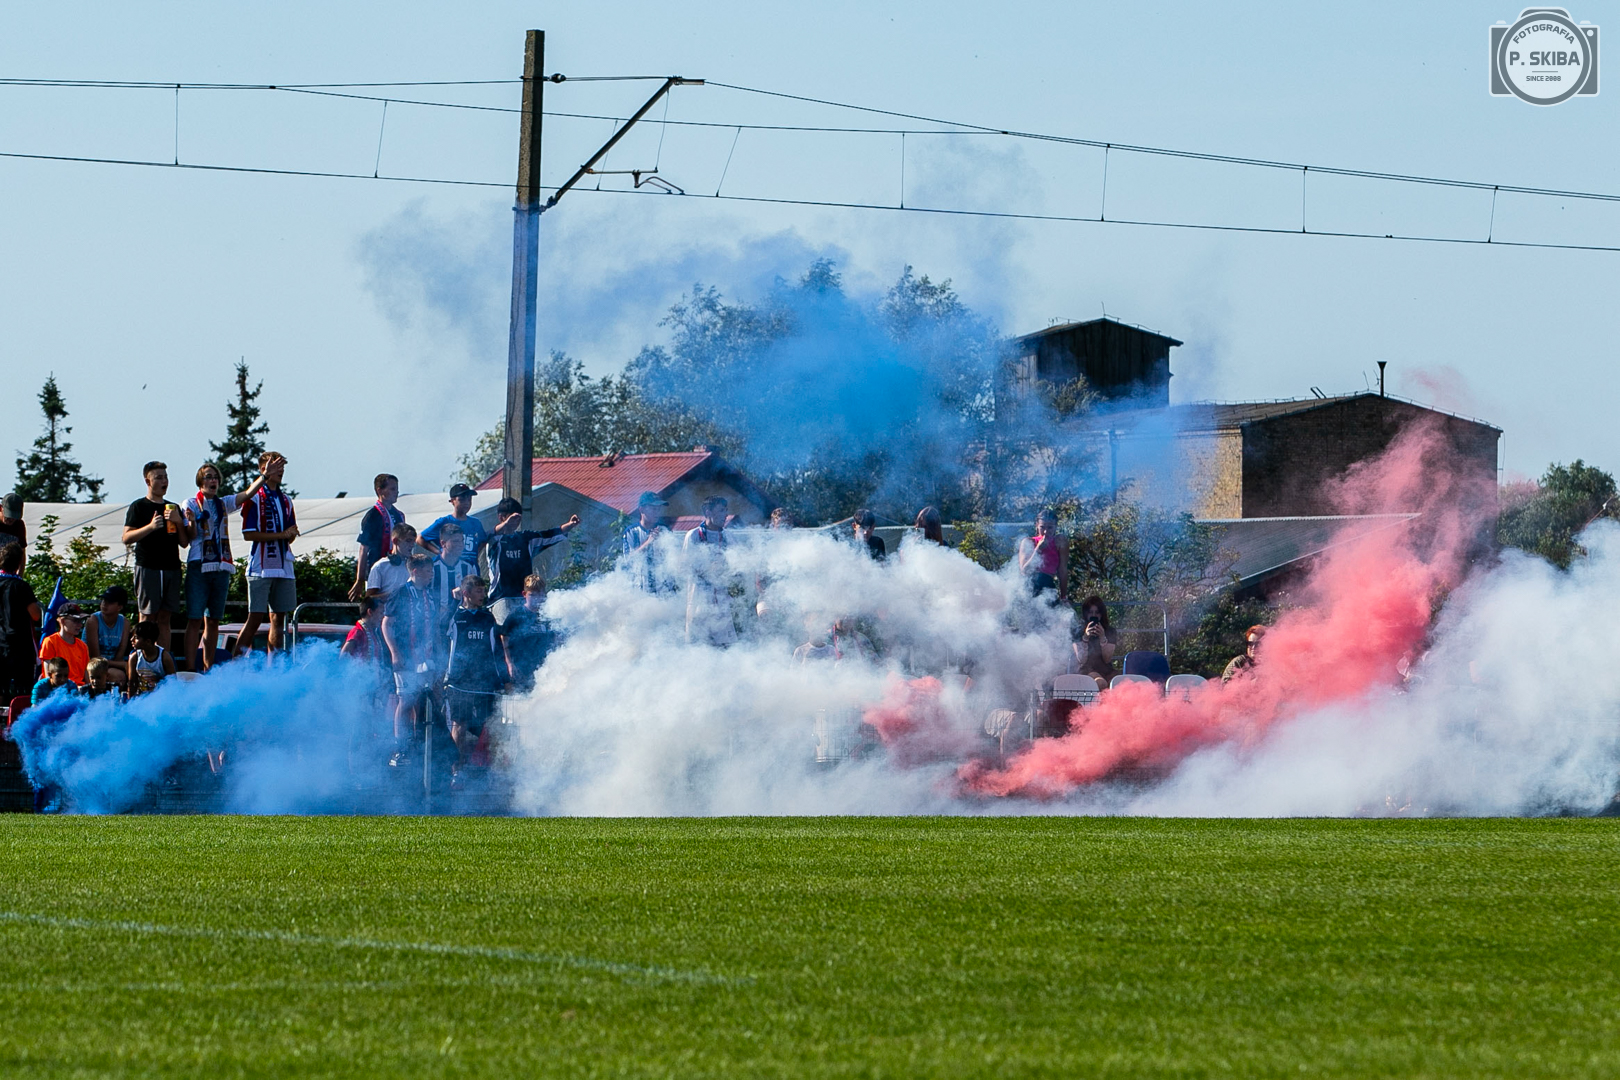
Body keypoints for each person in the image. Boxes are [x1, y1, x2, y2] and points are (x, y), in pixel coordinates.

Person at [182, 460, 267, 672]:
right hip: (199, 565)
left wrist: (264, 477)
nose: (213, 481)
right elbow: (190, 536)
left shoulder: (223, 503)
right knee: (194, 619)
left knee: (213, 621)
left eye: (215, 477)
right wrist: (193, 521)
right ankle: (190, 667)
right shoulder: (191, 503)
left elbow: (246, 494)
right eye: (208, 477)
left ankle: (208, 667)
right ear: (200, 482)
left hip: (221, 566)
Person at [121, 461, 191, 650]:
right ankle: (142, 660)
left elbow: (184, 542)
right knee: (146, 616)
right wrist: (150, 527)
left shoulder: (173, 507)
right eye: (159, 477)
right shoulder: (138, 506)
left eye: (166, 477)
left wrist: (178, 523)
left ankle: (163, 660)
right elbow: (126, 537)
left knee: (165, 617)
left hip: (171, 567)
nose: (164, 481)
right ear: (148, 481)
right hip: (148, 567)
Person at [443, 575, 506, 786]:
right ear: (467, 593)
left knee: (491, 726)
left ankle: (489, 770)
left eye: (483, 590)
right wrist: (454, 602)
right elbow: (440, 628)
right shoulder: (455, 616)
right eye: (479, 591)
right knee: (459, 725)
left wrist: (503, 679)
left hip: (485, 682)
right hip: (459, 681)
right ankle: (456, 770)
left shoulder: (487, 618)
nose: (483, 595)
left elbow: (496, 650)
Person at [238, 451, 298, 656]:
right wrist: (282, 535)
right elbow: (249, 534)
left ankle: (274, 668)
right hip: (259, 566)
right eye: (275, 466)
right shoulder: (254, 498)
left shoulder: (286, 500)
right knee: (255, 617)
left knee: (278, 618)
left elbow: (290, 533)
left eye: (282, 467)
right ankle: (234, 664)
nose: (280, 471)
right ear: (263, 469)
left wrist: (290, 534)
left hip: (283, 565)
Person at [382, 553, 439, 768]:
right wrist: (395, 653)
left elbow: (433, 625)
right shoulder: (401, 593)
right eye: (427, 570)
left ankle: (416, 744)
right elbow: (387, 624)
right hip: (406, 656)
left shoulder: (429, 594)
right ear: (415, 571)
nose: (431, 573)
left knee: (420, 699)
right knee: (406, 700)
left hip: (427, 656)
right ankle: (400, 749)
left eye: (432, 570)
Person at [486, 498, 579, 624]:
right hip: (501, 598)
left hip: (524, 598)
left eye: (518, 518)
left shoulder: (526, 539)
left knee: (525, 634)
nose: (515, 522)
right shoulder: (494, 540)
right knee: (506, 633)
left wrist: (568, 526)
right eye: (512, 518)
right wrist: (505, 525)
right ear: (501, 517)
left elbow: (548, 535)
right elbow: (487, 535)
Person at [683, 496, 737, 647]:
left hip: (721, 604)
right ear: (708, 512)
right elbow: (686, 567)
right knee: (699, 648)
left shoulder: (728, 537)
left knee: (725, 648)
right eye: (721, 510)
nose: (726, 514)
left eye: (726, 510)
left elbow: (736, 566)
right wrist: (708, 568)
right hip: (698, 603)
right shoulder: (693, 535)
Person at [350, 473, 407, 602]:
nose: (396, 492)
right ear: (379, 490)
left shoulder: (399, 515)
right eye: (392, 489)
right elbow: (363, 549)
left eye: (397, 489)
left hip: (397, 568)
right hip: (378, 569)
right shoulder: (372, 516)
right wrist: (359, 579)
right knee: (375, 606)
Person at [499, 574, 555, 692]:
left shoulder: (547, 615)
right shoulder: (516, 616)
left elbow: (554, 639)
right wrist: (510, 663)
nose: (537, 598)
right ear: (524, 594)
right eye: (532, 595)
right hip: (521, 669)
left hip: (543, 669)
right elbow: (504, 638)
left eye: (540, 594)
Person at [0, 541, 40, 699]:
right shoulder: (21, 586)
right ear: (18, 563)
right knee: (22, 691)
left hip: (1, 643)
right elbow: (36, 614)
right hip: (20, 645)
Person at [420, 483, 489, 563]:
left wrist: (475, 554)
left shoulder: (475, 522)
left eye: (469, 499)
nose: (466, 503)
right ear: (452, 501)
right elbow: (420, 539)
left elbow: (483, 540)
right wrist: (439, 552)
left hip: (471, 567)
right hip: (452, 566)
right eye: (462, 500)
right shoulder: (444, 521)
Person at [620, 491, 670, 592]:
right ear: (641, 509)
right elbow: (628, 560)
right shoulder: (631, 532)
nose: (657, 512)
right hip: (640, 591)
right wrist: (649, 542)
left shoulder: (665, 530)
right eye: (653, 509)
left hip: (663, 592)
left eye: (659, 509)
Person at [84, 586, 131, 688]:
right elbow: (95, 657)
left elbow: (119, 655)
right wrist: (123, 665)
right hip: (91, 666)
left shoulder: (125, 623)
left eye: (110, 602)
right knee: (117, 676)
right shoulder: (93, 621)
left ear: (120, 607)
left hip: (110, 666)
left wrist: (122, 664)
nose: (104, 604)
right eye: (104, 600)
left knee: (122, 675)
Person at [1018, 509, 1068, 603]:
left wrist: (1063, 597)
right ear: (1037, 525)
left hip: (1047, 587)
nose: (1045, 531)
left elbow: (1063, 571)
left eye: (1050, 527)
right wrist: (1038, 549)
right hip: (1029, 588)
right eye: (1042, 527)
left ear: (1055, 527)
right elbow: (1024, 570)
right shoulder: (1028, 542)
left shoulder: (1060, 541)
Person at [365, 523, 420, 608]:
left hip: (409, 617)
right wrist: (395, 594)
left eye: (413, 541)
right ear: (395, 541)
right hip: (385, 616)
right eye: (408, 541)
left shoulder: (413, 566)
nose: (412, 545)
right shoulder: (380, 566)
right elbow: (369, 599)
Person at [1070, 595, 1118, 684]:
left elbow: (1107, 659)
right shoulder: (1078, 631)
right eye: (1090, 612)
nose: (1093, 615)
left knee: (1120, 685)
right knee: (1100, 683)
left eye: (1097, 612)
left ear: (1102, 613)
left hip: (1106, 669)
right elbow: (1081, 660)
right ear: (1085, 613)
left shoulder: (1110, 631)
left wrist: (1102, 638)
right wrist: (1085, 638)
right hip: (1086, 670)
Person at [39, 604, 90, 686]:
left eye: (81, 621)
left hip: (79, 691)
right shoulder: (50, 642)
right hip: (58, 689)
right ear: (62, 621)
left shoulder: (82, 646)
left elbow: (87, 676)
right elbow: (48, 676)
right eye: (75, 620)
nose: (80, 625)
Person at [126, 618, 176, 693]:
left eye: (136, 638)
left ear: (148, 641)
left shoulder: (165, 657)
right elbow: (132, 683)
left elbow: (173, 683)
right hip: (143, 696)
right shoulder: (134, 657)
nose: (131, 639)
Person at [0, 492, 26, 567]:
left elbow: (22, 553)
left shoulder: (19, 525)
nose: (11, 520)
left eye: (14, 517)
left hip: (8, 573)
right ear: (1, 508)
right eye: (8, 516)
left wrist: (19, 577)